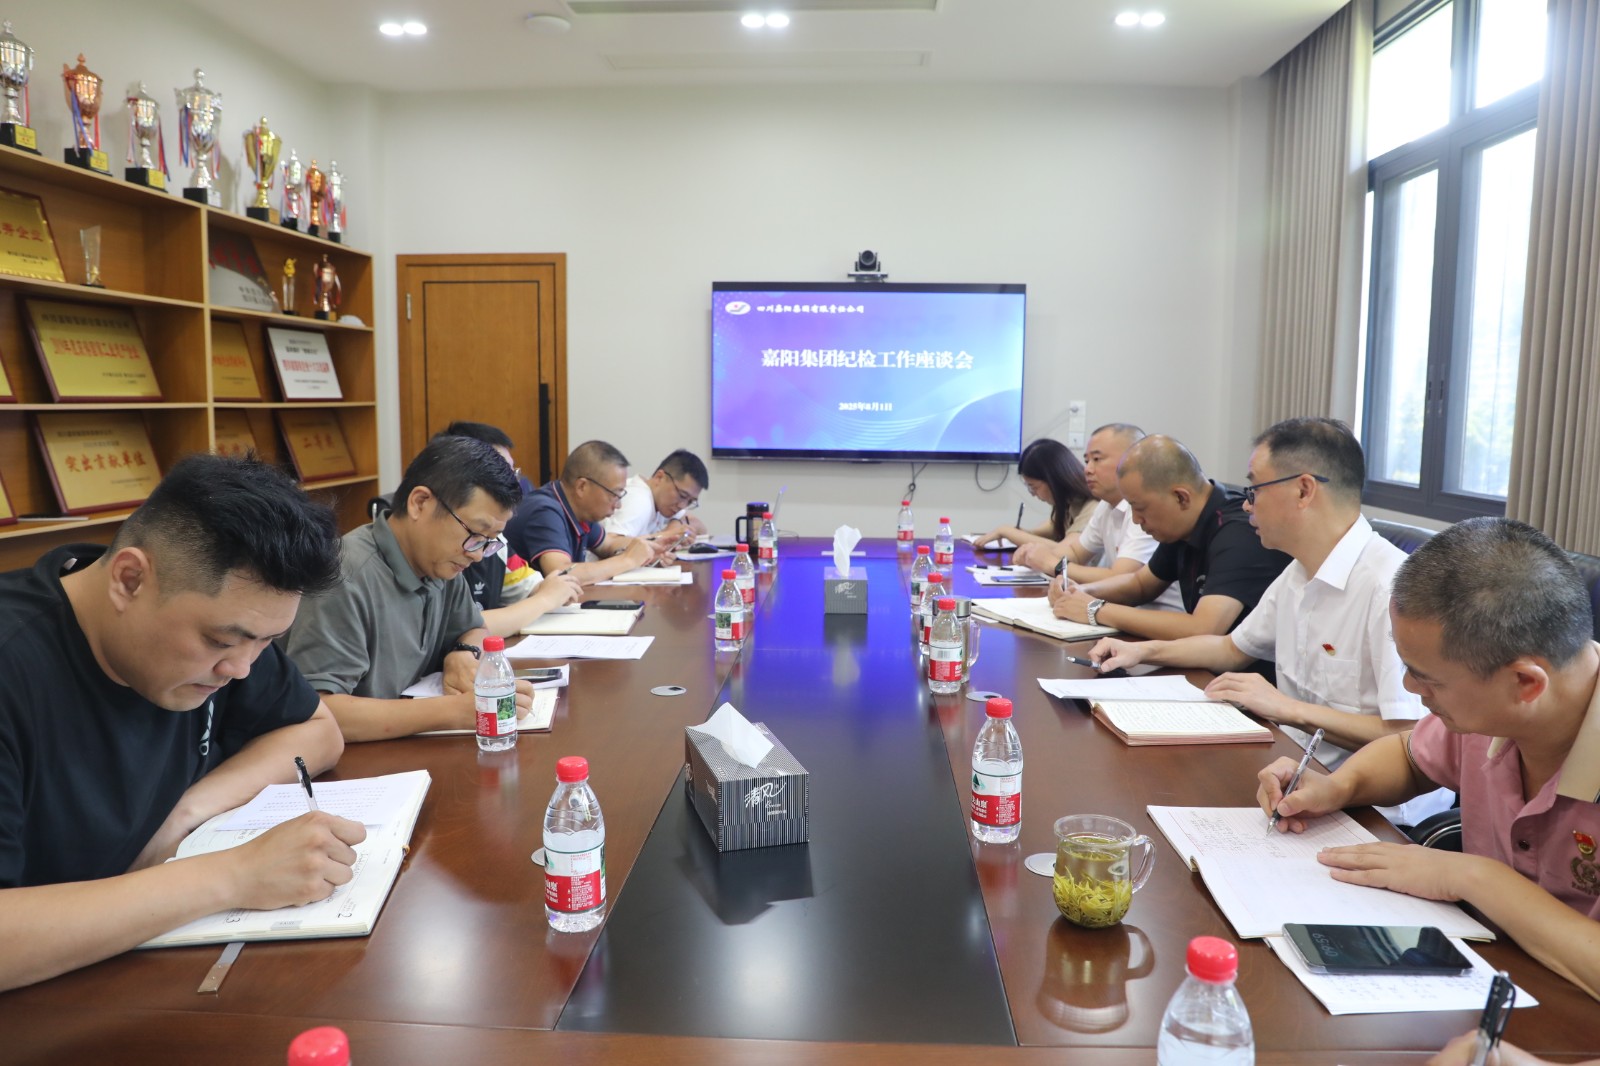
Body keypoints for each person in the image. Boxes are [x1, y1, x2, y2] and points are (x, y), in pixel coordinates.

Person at [0, 455, 361, 992]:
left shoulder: (232, 628)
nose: (241, 669)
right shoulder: (15, 667)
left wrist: (183, 814)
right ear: (129, 580)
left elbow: (317, 731)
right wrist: (233, 875)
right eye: (221, 641)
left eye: (266, 643)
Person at [1259, 517, 1600, 1002]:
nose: (1408, 688)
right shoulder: (1488, 713)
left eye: (1427, 679)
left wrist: (1473, 876)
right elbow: (1410, 754)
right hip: (1486, 975)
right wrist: (1338, 786)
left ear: (1525, 683)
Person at [1092, 418, 1450, 825]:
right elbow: (1231, 648)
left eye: (1255, 490)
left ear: (1303, 490)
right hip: (1296, 776)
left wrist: (1288, 708)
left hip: (1379, 814)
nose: (1247, 505)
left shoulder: (1389, 588)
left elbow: (1409, 737)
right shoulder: (1297, 571)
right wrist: (1141, 651)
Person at [283, 435, 542, 742]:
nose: (477, 555)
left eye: (489, 541)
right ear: (420, 503)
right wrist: (454, 711)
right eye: (475, 533)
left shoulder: (442, 563)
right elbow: (320, 711)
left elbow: (473, 628)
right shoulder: (344, 575)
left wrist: (462, 653)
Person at [1048, 434, 1290, 640]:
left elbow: (1204, 628)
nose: (1136, 520)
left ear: (1181, 497)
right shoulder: (1185, 522)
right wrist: (1081, 591)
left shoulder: (1239, 529)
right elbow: (1141, 585)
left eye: (1140, 508)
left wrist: (1095, 609)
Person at [429, 421, 581, 638]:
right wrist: (545, 599)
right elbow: (460, 626)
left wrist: (552, 589)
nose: (512, 484)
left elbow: (531, 586)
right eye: (500, 472)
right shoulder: (433, 545)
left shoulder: (495, 539)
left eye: (512, 472)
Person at [1015, 423, 1184, 614]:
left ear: (1133, 460)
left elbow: (1121, 577)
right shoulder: (1106, 505)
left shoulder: (1144, 509)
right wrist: (1038, 555)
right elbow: (1076, 552)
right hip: (1123, 612)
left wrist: (1052, 564)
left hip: (1156, 617)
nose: (1087, 469)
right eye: (1087, 461)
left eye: (1097, 459)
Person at [504, 440, 665, 583]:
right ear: (582, 486)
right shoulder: (545, 511)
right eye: (614, 495)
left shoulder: (578, 509)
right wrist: (628, 560)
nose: (618, 505)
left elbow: (608, 544)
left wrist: (648, 547)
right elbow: (561, 573)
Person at [972, 438, 1095, 552]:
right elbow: (1054, 525)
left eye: (1034, 487)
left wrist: (1007, 531)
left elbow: (1067, 551)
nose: (1033, 494)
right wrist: (1024, 534)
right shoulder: (1069, 500)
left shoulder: (1092, 507)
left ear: (1054, 480)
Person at [602, 448, 711, 545]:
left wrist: (677, 526)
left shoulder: (659, 500)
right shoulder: (639, 501)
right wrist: (666, 536)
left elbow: (697, 524)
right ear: (659, 477)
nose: (682, 506)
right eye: (682, 495)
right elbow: (611, 543)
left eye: (690, 501)